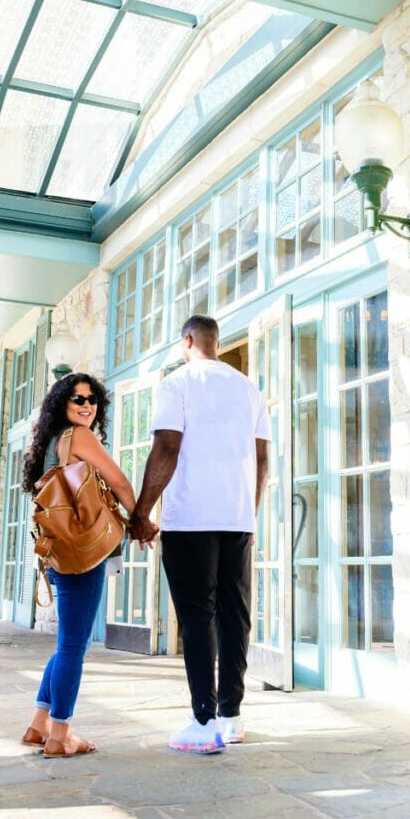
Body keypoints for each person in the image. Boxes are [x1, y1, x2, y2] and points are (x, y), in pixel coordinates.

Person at [130, 315, 270, 755]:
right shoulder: (248, 387)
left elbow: (167, 447)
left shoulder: (178, 382)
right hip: (236, 518)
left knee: (196, 616)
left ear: (187, 340)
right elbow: (262, 458)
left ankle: (203, 720)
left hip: (191, 517)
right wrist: (249, 509)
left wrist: (141, 512)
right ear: (215, 341)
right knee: (234, 615)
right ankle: (231, 716)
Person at [20, 372, 157, 758]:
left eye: (92, 399)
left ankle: (38, 723)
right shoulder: (79, 437)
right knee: (72, 647)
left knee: (68, 643)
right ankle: (61, 734)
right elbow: (121, 484)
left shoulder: (48, 440)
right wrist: (141, 523)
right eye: (77, 399)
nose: (86, 406)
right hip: (82, 550)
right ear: (62, 403)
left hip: (58, 549)